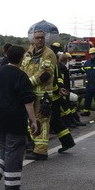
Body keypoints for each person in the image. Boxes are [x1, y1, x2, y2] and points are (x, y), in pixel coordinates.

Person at [0, 44, 39, 190]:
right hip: (15, 118)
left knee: (2, 147)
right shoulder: (21, 75)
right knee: (14, 151)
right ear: (21, 58)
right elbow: (27, 101)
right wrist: (33, 120)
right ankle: (12, 188)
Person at [20, 28, 63, 160]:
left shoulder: (49, 53)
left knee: (42, 121)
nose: (39, 40)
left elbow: (45, 73)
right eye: (37, 37)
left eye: (42, 38)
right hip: (30, 94)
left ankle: (41, 151)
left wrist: (27, 83)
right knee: (31, 121)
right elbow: (23, 68)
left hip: (42, 94)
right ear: (33, 39)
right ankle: (35, 146)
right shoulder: (28, 52)